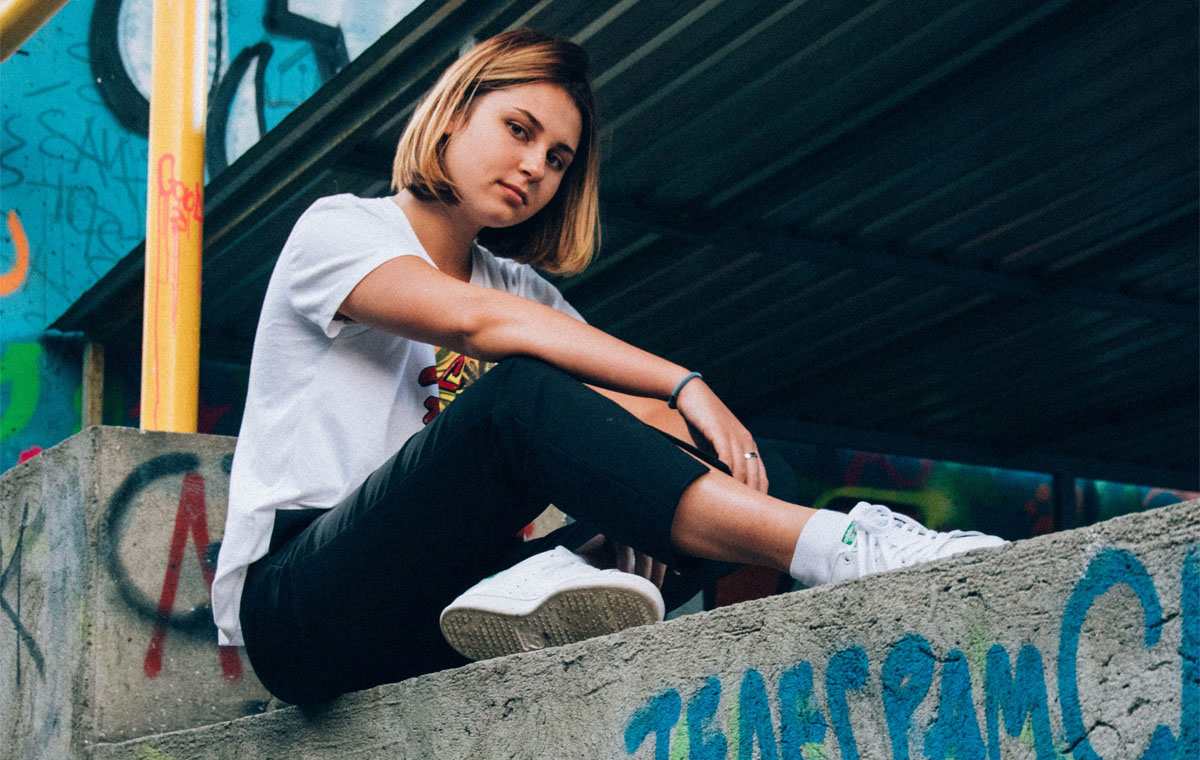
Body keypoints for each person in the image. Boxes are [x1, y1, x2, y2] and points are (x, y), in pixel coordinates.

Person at [211, 28, 1004, 705]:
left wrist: (655, 479)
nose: (535, 167)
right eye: (518, 130)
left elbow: (632, 420)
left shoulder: (523, 288)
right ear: (453, 114)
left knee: (754, 467)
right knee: (521, 394)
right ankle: (847, 547)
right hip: (304, 611)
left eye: (557, 157)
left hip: (447, 608)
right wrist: (684, 381)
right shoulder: (342, 230)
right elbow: (478, 324)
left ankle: (566, 570)